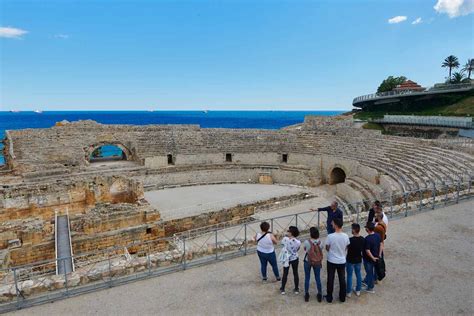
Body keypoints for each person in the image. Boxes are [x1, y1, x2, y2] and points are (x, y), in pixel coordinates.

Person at [324, 218, 350, 303]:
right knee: (342, 279)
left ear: (335, 225)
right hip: (342, 260)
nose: (331, 224)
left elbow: (327, 247)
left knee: (330, 279)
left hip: (331, 260)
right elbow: (347, 247)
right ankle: (342, 297)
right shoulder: (346, 236)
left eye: (332, 223)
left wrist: (332, 251)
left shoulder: (330, 236)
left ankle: (329, 297)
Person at [303, 227, 323, 302]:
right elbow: (321, 250)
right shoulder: (320, 243)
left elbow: (305, 250)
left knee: (307, 278)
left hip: (308, 261)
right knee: (318, 278)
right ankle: (320, 293)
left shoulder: (306, 242)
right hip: (317, 262)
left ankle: (307, 294)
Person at [280, 226, 301, 295]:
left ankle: (283, 288)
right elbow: (297, 249)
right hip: (294, 258)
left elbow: (282, 245)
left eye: (288, 231)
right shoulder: (298, 242)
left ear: (291, 233)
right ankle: (296, 289)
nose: (287, 232)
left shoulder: (285, 239)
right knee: (295, 273)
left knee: (285, 274)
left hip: (287, 258)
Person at [363, 222, 383, 294]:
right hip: (376, 256)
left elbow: (367, 251)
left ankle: (370, 287)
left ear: (368, 229)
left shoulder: (367, 239)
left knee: (369, 272)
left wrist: (372, 258)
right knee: (374, 271)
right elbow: (381, 244)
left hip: (369, 259)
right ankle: (369, 281)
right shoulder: (377, 235)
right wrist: (379, 254)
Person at [346, 223, 365, 298]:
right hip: (358, 259)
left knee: (349, 276)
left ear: (354, 230)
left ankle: (349, 292)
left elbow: (346, 248)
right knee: (358, 275)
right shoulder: (363, 239)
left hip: (350, 259)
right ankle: (358, 290)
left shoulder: (350, 240)